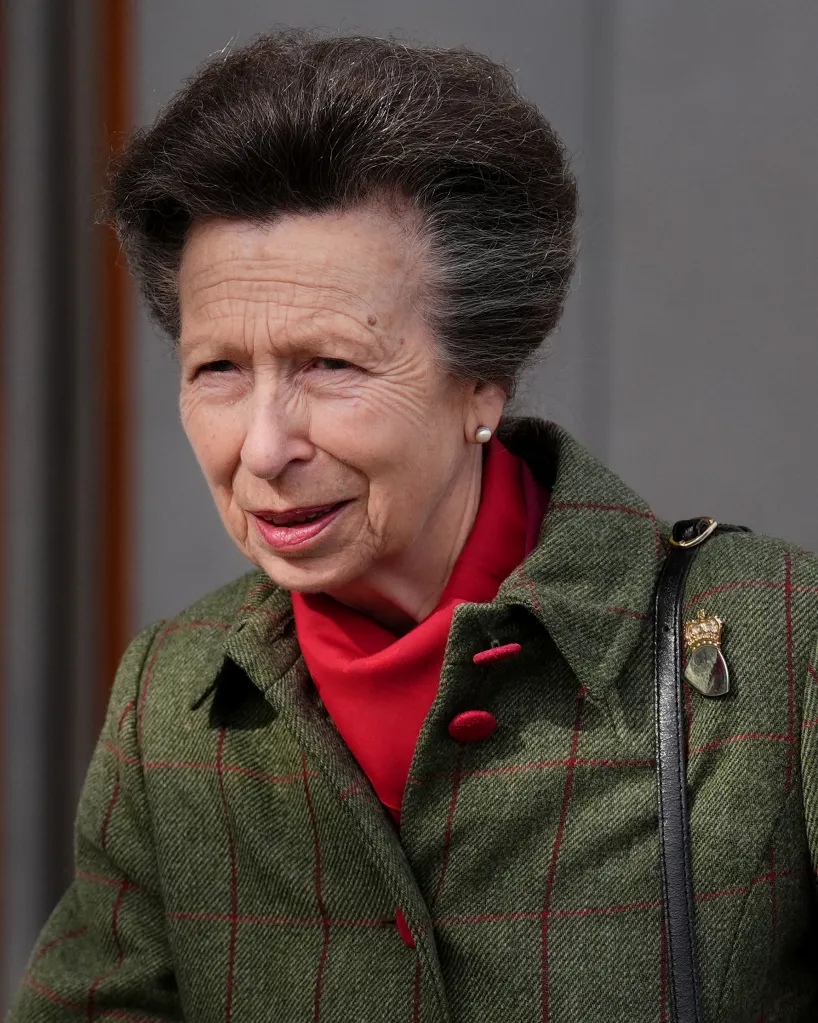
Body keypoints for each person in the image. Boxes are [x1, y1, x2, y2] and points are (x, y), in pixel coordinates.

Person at [10, 29, 817, 1023]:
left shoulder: (770, 642)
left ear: (481, 382)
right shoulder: (173, 697)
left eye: (331, 367)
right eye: (218, 370)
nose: (262, 448)